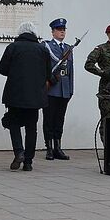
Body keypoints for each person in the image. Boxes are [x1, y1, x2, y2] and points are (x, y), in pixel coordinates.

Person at [0, 22, 51, 171]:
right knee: (31, 128)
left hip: (15, 94)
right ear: (34, 34)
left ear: (20, 33)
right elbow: (48, 74)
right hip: (35, 96)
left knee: (13, 124)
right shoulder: (42, 49)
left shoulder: (12, 48)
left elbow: (2, 69)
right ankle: (28, 162)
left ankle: (19, 151)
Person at [44, 17, 73, 160]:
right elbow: (44, 68)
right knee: (49, 119)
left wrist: (71, 89)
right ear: (53, 31)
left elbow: (70, 70)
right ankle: (49, 148)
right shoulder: (47, 46)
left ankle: (58, 147)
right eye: (59, 30)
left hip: (64, 89)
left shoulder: (68, 48)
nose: (62, 32)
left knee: (60, 119)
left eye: (64, 30)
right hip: (51, 88)